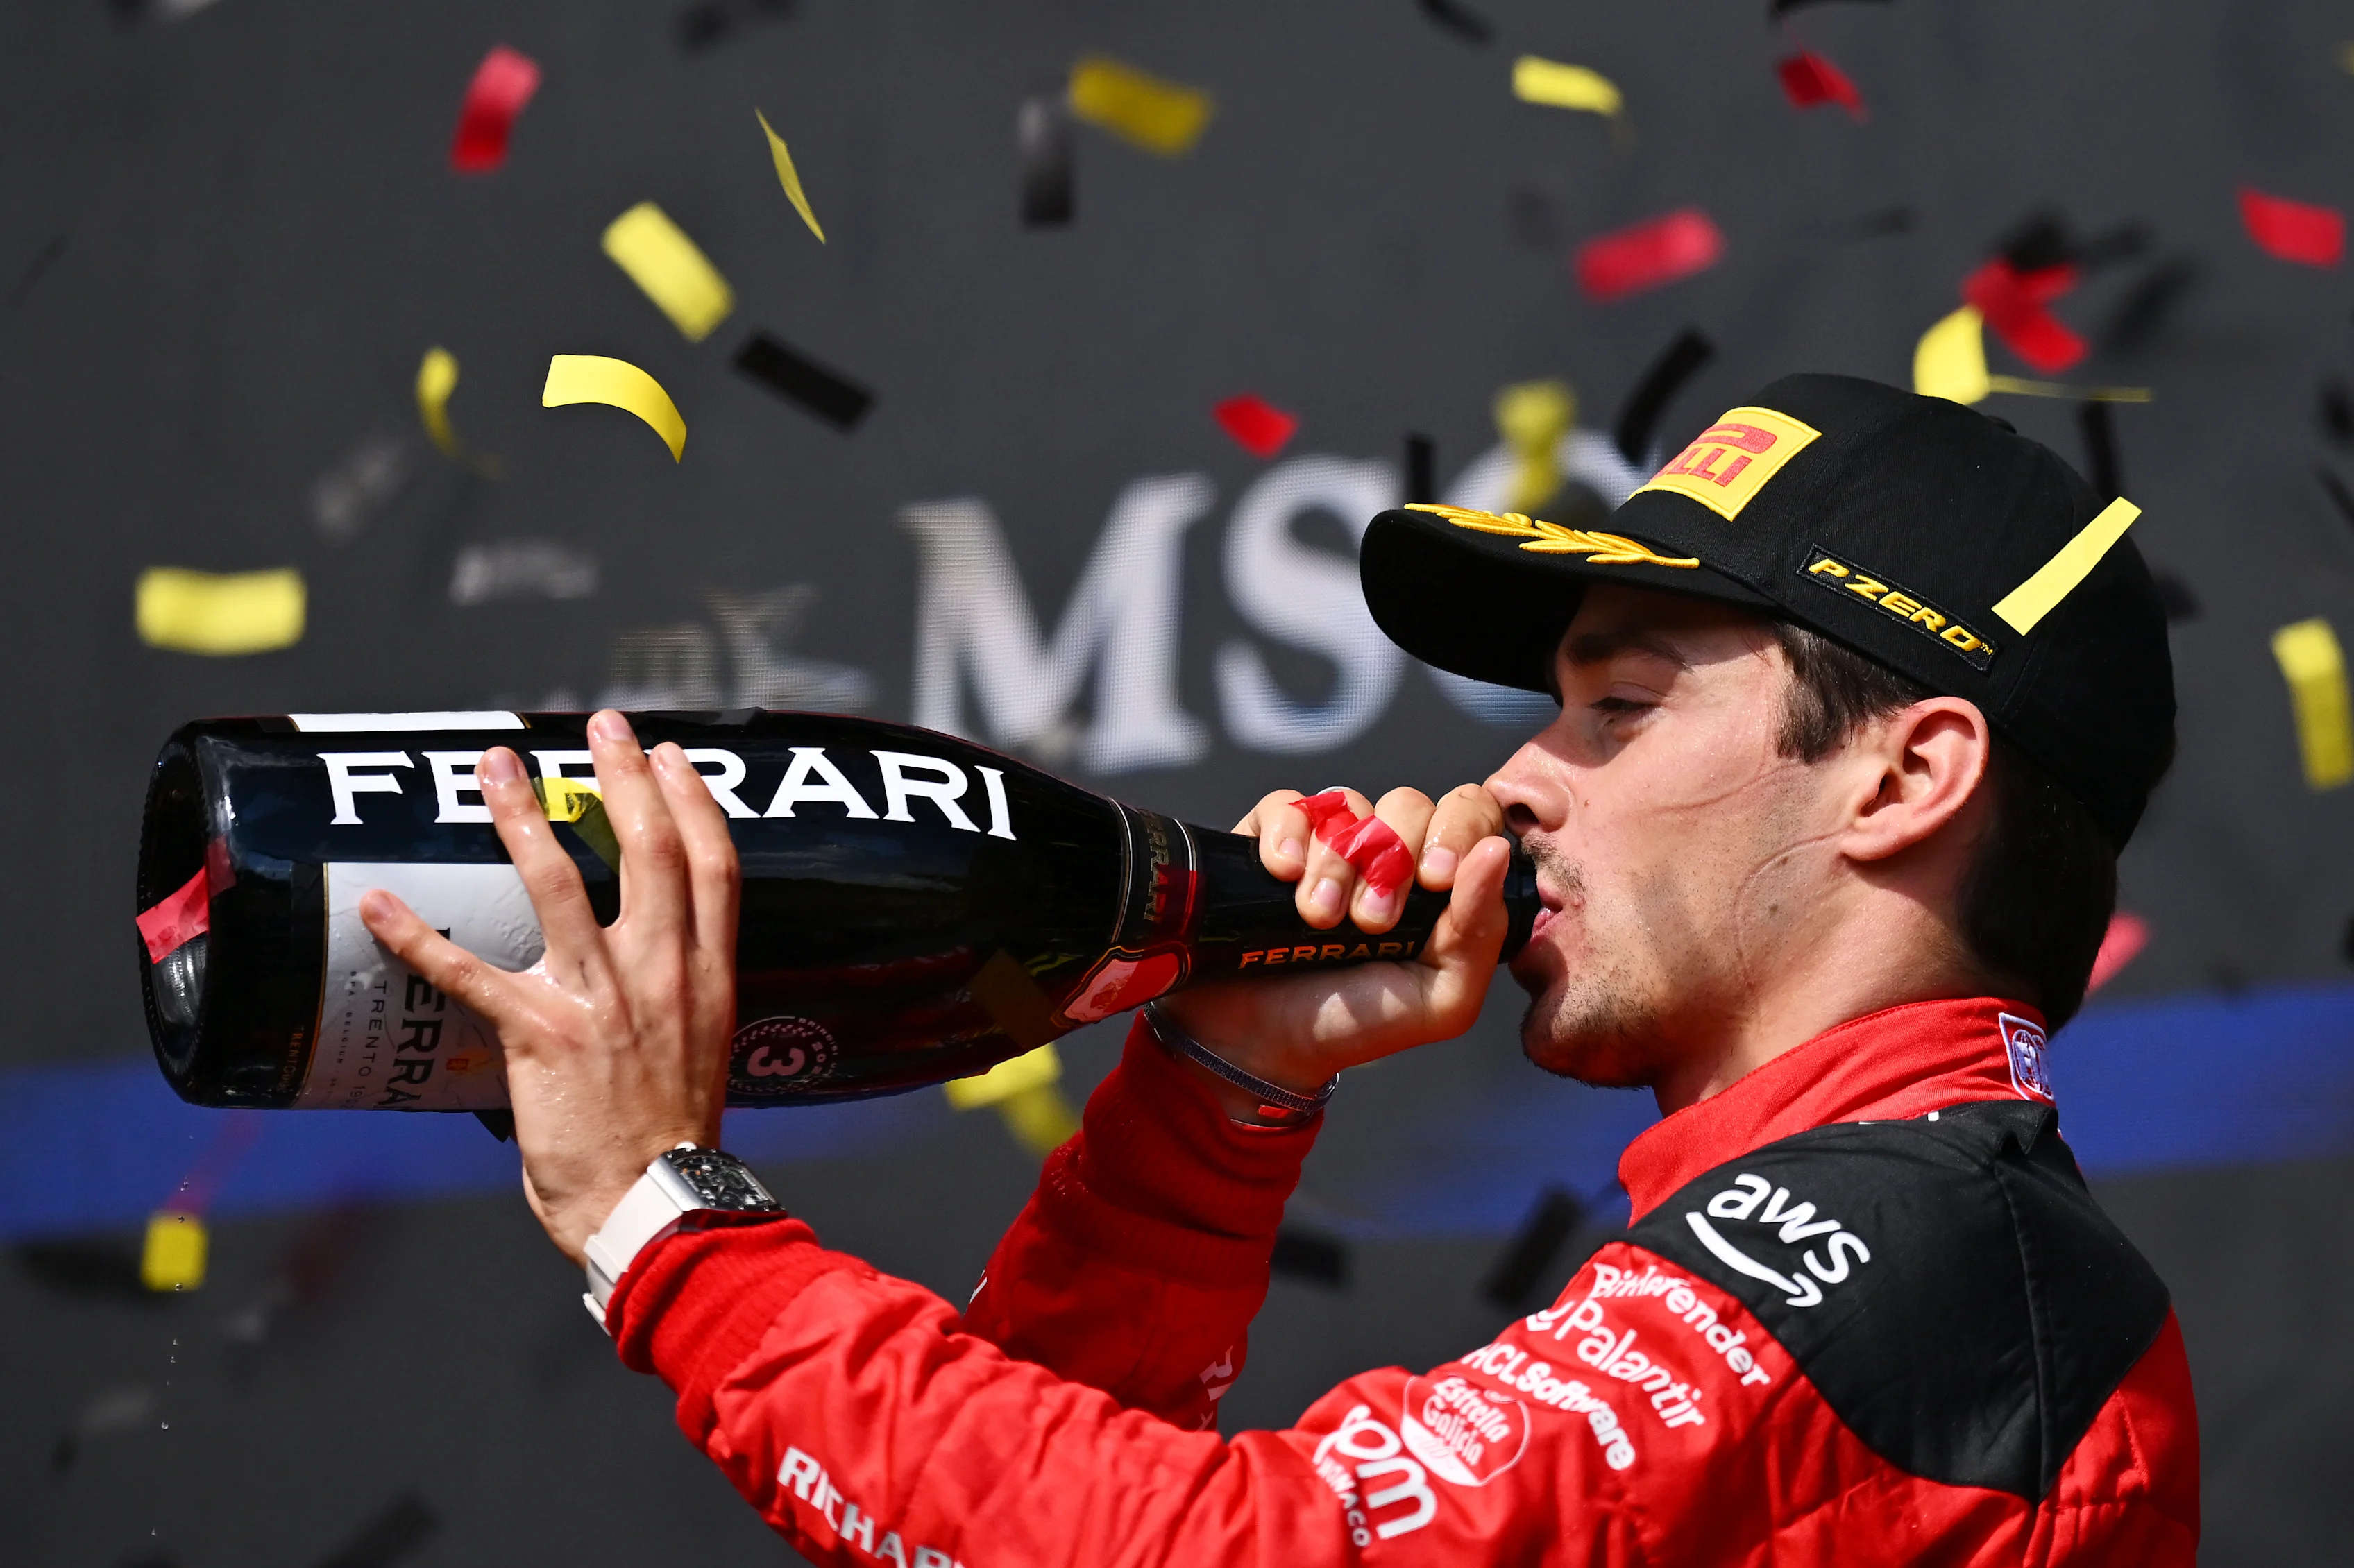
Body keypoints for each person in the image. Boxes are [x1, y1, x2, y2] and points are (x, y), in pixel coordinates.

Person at [361, 373, 2197, 1564]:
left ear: (1909, 772)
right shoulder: (1884, 1238)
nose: (1513, 782)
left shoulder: (1933, 1253)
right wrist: (1213, 1099)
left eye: (1620, 707)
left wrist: (669, 1230)